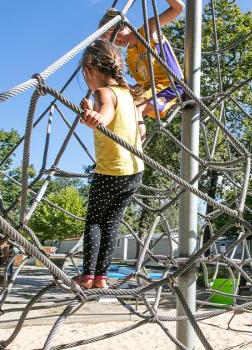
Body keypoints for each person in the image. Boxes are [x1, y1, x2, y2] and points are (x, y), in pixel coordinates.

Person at [78, 39, 144, 289]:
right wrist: (91, 111)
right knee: (112, 223)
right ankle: (101, 278)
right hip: (135, 172)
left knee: (95, 221)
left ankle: (87, 276)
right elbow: (138, 126)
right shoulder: (127, 94)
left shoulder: (102, 92)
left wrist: (95, 116)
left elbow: (104, 114)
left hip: (111, 172)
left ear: (89, 69)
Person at [98, 0, 185, 126]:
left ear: (121, 26)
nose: (114, 42)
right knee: (118, 105)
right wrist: (125, 87)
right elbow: (143, 85)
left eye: (112, 36)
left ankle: (135, 146)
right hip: (154, 90)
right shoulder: (130, 55)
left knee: (136, 108)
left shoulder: (148, 30)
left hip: (172, 85)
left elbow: (178, 7)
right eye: (109, 40)